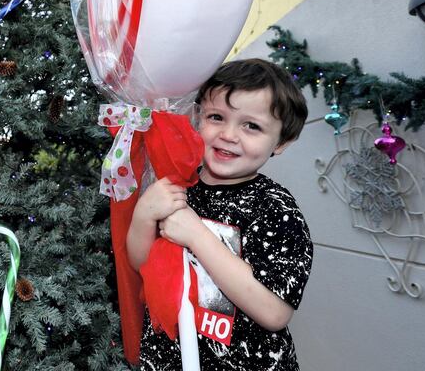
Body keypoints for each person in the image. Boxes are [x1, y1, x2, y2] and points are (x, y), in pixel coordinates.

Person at [128, 58, 313, 370]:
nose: (229, 134)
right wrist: (144, 215)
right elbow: (142, 263)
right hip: (168, 358)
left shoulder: (275, 208)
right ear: (198, 118)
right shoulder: (178, 185)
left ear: (281, 141)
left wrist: (198, 236)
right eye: (217, 117)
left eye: (251, 126)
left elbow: (274, 312)